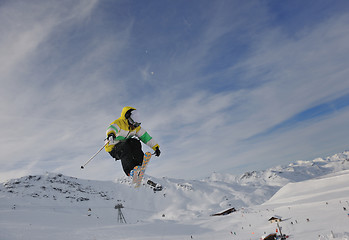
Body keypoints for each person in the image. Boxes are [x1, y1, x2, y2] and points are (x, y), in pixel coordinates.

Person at [105, 106, 161, 176]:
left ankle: (139, 166)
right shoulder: (119, 123)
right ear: (128, 118)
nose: (134, 126)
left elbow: (146, 137)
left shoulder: (135, 128)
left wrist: (155, 147)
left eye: (137, 124)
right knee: (124, 147)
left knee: (135, 142)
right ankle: (130, 171)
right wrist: (111, 134)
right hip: (113, 148)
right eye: (134, 123)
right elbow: (112, 127)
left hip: (125, 144)